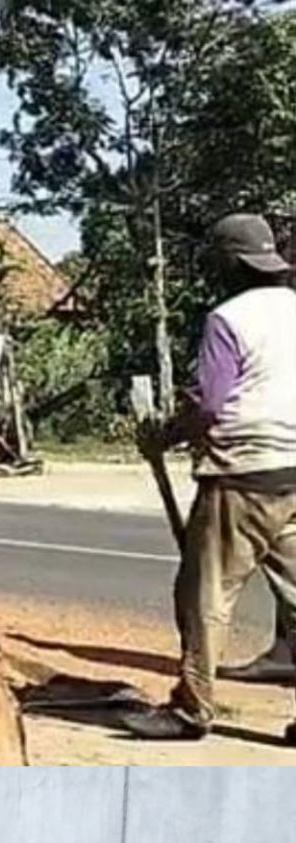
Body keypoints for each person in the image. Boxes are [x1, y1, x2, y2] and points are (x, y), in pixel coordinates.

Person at [126, 213, 296, 746]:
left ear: (229, 262)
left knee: (204, 594)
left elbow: (212, 406)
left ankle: (192, 709)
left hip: (242, 476)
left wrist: (166, 434)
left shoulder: (227, 318)